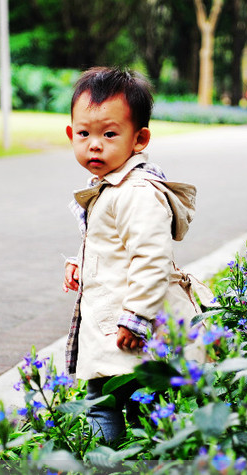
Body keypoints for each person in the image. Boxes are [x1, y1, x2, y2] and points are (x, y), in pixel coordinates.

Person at [62, 66, 205, 444]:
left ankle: (115, 461)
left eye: (109, 134)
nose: (95, 144)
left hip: (131, 329)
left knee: (118, 403)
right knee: (122, 401)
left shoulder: (137, 192)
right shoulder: (111, 187)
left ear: (139, 138)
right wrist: (81, 261)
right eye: (84, 134)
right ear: (70, 134)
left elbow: (151, 258)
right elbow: (112, 241)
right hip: (116, 325)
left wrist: (136, 318)